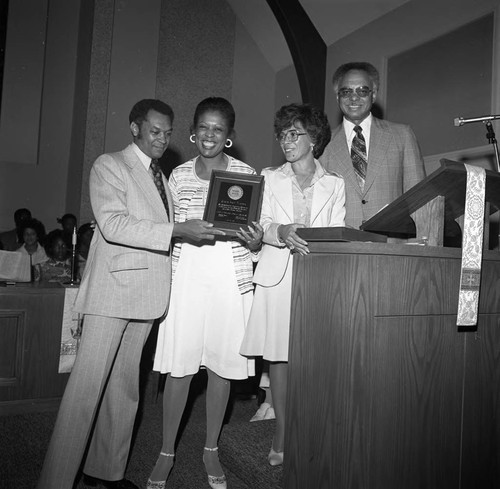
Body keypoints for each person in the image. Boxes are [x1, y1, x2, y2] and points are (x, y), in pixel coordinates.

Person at [37, 99, 223, 489]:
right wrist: (177, 230)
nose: (162, 139)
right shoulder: (110, 165)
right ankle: (55, 481)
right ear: (134, 128)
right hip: (112, 292)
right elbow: (114, 224)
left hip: (145, 295)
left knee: (124, 391)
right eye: (154, 131)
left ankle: (105, 471)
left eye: (168, 133)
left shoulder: (161, 175)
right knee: (84, 394)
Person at [148, 97, 263, 489]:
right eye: (203, 128)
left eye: (218, 129)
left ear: (229, 136)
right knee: (179, 367)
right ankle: (166, 450)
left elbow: (255, 237)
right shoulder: (176, 176)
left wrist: (256, 239)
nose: (209, 135)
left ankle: (210, 448)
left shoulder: (248, 175)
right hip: (188, 278)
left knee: (221, 368)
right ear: (193, 132)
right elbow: (169, 232)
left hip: (229, 280)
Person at [240, 103, 346, 467]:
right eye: (281, 135)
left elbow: (337, 231)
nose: (285, 141)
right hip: (276, 276)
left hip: (316, 277)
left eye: (293, 134)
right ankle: (283, 433)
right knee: (280, 359)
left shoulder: (335, 184)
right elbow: (262, 222)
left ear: (313, 139)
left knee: (311, 357)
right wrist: (281, 232)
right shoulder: (269, 177)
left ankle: (310, 428)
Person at [320, 62, 426, 229]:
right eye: (346, 92)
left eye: (362, 91)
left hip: (391, 246)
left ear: (374, 94)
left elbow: (419, 199)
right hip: (342, 248)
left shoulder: (402, 135)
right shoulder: (323, 143)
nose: (354, 98)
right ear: (337, 96)